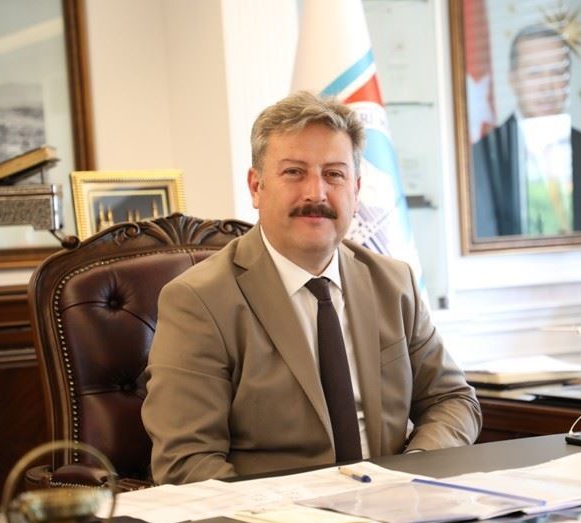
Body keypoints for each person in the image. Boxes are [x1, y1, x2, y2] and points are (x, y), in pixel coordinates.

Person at [141, 91, 481, 485]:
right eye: (294, 172)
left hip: (396, 503)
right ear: (256, 186)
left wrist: (415, 471)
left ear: (356, 189)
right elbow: (186, 461)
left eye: (334, 174)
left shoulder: (393, 283)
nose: (316, 193)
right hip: (271, 512)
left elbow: (453, 400)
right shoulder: (199, 300)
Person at [473, 24, 581, 237]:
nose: (547, 87)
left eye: (557, 72)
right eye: (535, 74)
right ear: (513, 79)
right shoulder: (485, 152)